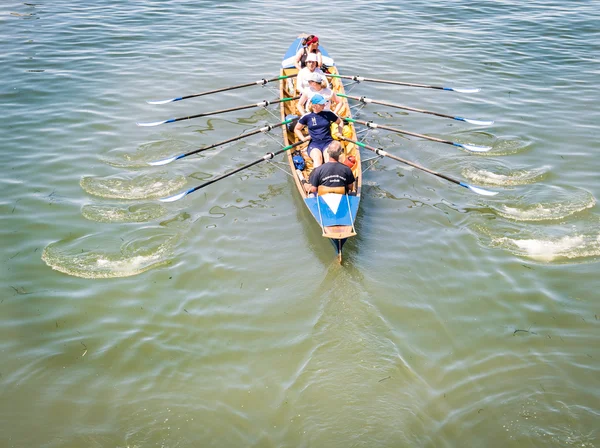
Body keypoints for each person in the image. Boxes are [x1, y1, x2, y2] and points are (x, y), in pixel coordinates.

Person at [294, 94, 345, 168]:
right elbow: (297, 129)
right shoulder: (307, 116)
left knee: (328, 160)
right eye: (322, 104)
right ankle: (317, 177)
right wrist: (303, 139)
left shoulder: (328, 113)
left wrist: (339, 133)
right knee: (318, 159)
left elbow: (340, 122)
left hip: (328, 142)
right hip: (314, 144)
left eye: (324, 103)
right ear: (314, 105)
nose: (324, 105)